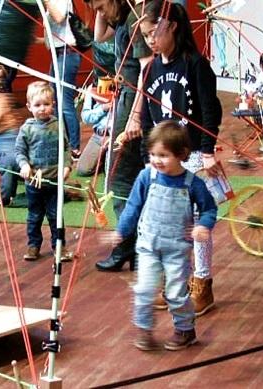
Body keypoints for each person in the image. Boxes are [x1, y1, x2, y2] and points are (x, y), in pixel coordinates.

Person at [137, 0, 222, 316]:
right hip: (164, 159)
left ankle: (203, 284)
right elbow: (147, 115)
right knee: (172, 223)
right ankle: (178, 282)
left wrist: (207, 151)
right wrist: (151, 155)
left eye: (153, 34)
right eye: (145, 37)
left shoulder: (195, 64)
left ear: (172, 26)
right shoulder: (150, 68)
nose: (150, 41)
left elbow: (210, 110)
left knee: (198, 223)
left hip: (194, 155)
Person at [101, 121, 217, 351]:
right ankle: (144, 330)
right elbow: (133, 206)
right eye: (153, 154)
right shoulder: (147, 176)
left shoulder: (192, 183)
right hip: (148, 246)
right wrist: (121, 231)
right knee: (143, 289)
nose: (156, 160)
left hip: (177, 249)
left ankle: (185, 329)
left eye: (163, 155)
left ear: (181, 154)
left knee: (175, 293)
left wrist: (204, 225)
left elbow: (209, 209)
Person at [87, 0, 154, 272]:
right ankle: (135, 248)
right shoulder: (124, 17)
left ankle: (126, 246)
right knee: (132, 174)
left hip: (133, 102)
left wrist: (135, 116)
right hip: (127, 99)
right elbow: (99, 36)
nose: (99, 14)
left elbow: (146, 69)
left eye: (101, 7)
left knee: (120, 175)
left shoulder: (134, 20)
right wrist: (103, 9)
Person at [15, 81, 74, 261]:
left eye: (46, 104)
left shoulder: (58, 125)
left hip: (55, 180)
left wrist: (67, 166)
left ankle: (59, 246)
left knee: (56, 215)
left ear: (53, 104)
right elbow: (19, 151)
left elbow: (66, 148)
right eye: (37, 105)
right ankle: (33, 245)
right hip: (34, 182)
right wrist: (24, 165)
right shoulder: (26, 128)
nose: (42, 109)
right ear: (29, 106)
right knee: (34, 215)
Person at [43, 0, 82, 158]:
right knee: (57, 103)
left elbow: (59, 18)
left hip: (67, 52)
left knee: (65, 104)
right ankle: (62, 143)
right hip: (58, 54)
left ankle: (75, 147)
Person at [0, 63, 26, 207]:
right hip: (2, 136)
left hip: (8, 136)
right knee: (10, 167)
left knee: (7, 166)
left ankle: (6, 197)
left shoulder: (3, 97)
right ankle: (9, 194)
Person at [77, 81, 113, 176]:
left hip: (115, 137)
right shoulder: (92, 87)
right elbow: (85, 117)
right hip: (98, 135)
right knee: (82, 170)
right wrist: (103, 109)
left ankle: (106, 160)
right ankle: (101, 159)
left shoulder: (125, 85)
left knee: (111, 174)